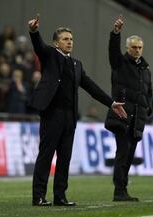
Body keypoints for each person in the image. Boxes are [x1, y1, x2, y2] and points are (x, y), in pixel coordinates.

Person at [27, 14, 127, 206]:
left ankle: (60, 196)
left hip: (70, 117)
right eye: (65, 39)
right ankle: (38, 196)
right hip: (52, 114)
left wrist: (111, 103)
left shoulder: (76, 64)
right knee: (46, 156)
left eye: (71, 39)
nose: (69, 42)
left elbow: (91, 87)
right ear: (56, 43)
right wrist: (34, 31)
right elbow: (38, 46)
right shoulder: (50, 56)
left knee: (65, 159)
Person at [105, 15, 152, 202]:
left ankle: (122, 189)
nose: (137, 50)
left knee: (129, 155)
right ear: (127, 48)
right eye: (134, 47)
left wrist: (148, 108)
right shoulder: (120, 63)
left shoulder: (145, 70)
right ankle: (119, 191)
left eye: (140, 47)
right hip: (122, 116)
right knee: (123, 153)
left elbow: (149, 92)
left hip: (136, 119)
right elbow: (112, 51)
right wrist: (115, 33)